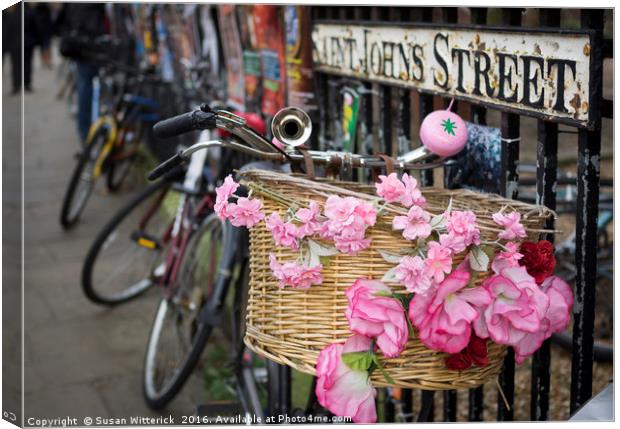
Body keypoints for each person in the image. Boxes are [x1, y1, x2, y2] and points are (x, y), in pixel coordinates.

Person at [56, 3, 107, 144]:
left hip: (83, 50)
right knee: (89, 91)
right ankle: (88, 135)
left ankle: (86, 135)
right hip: (91, 50)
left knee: (85, 91)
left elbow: (60, 22)